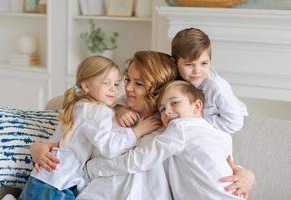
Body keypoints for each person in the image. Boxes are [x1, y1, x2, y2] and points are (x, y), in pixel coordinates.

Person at [31, 51, 255, 199]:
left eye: (138, 83)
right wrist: (38, 147)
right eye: (127, 80)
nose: (127, 88)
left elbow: (209, 150)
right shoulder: (106, 111)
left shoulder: (174, 124)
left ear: (156, 90)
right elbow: (71, 141)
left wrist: (246, 174)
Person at [17, 55, 160, 200]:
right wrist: (138, 131)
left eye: (116, 84)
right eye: (106, 83)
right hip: (58, 183)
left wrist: (118, 108)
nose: (113, 90)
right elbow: (109, 148)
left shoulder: (80, 106)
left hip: (46, 177)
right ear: (86, 86)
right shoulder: (96, 111)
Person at [86, 80, 245, 199]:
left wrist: (95, 167)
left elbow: (140, 160)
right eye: (161, 109)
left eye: (174, 103)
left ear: (197, 106)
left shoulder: (181, 128)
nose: (167, 111)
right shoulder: (221, 136)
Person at [171, 27, 248, 134]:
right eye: (189, 64)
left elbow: (234, 123)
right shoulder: (176, 83)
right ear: (175, 63)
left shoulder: (216, 87)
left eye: (204, 63)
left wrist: (196, 120)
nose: (197, 71)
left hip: (230, 126)